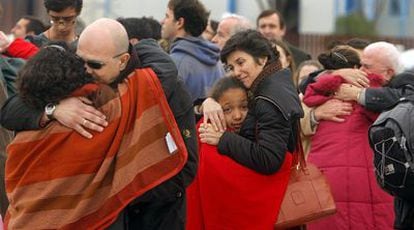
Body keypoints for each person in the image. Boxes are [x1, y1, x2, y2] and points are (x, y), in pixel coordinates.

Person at [0, 18, 197, 230]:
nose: (85, 71)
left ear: (123, 61)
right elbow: (12, 109)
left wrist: (110, 185)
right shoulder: (72, 71)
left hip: (149, 218)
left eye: (95, 65)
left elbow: (185, 169)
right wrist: (54, 110)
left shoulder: (156, 90)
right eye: (80, 60)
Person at [198, 30, 303, 228]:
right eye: (231, 66)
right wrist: (209, 101)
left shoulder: (267, 99)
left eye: (241, 62)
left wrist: (223, 139)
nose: (236, 71)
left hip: (268, 205)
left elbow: (269, 159)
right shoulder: (274, 81)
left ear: (262, 59)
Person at [303, 45, 394, 230]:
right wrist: (316, 114)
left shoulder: (379, 95)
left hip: (356, 180)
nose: (361, 71)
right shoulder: (314, 94)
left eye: (365, 66)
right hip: (335, 181)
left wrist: (358, 94)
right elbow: (295, 121)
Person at [187, 76, 292, 229]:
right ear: (216, 110)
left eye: (244, 107)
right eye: (227, 109)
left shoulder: (260, 129)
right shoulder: (207, 132)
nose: (237, 116)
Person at [161, 0, 224, 105]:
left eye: (167, 16)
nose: (163, 21)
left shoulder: (174, 64)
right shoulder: (217, 61)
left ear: (179, 22)